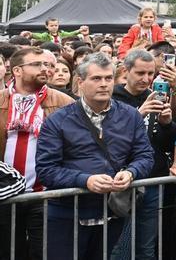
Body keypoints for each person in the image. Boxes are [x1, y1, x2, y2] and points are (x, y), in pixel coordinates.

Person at [36, 53, 155, 259]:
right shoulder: (57, 121)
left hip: (112, 212)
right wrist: (85, 180)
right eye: (96, 78)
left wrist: (131, 173)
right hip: (68, 214)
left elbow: (145, 156)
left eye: (108, 78)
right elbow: (46, 170)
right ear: (80, 82)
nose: (104, 84)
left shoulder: (130, 115)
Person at [0, 47, 74, 260]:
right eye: (37, 64)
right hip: (4, 195)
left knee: (43, 252)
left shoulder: (64, 103)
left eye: (48, 65)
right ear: (17, 71)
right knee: (7, 251)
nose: (46, 69)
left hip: (45, 193)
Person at [111, 49, 176, 260]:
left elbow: (166, 143)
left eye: (150, 73)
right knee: (119, 247)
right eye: (140, 73)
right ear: (126, 70)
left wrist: (167, 124)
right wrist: (139, 114)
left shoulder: (155, 95)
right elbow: (111, 138)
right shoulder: (112, 97)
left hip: (153, 179)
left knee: (146, 248)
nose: (146, 79)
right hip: (122, 181)